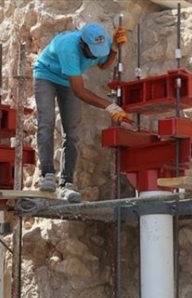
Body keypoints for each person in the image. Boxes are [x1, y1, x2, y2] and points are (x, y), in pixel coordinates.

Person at [34, 22, 133, 203]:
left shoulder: (100, 43)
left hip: (69, 81)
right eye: (92, 52)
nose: (95, 55)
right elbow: (79, 92)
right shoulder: (68, 48)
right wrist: (109, 106)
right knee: (46, 122)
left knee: (72, 132)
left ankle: (66, 184)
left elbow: (103, 65)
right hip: (46, 75)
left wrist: (114, 49)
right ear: (82, 44)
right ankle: (47, 174)